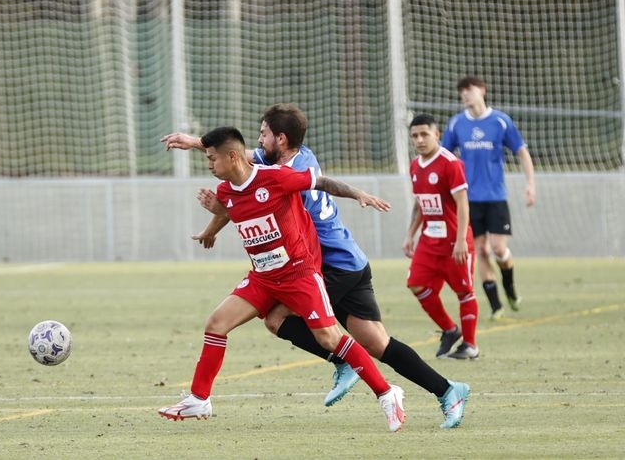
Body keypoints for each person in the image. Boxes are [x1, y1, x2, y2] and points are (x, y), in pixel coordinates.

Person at [162, 104, 470, 429]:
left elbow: (251, 172)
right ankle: (448, 390)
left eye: (263, 133)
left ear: (280, 139)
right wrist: (194, 145)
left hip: (331, 262)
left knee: (285, 320)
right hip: (339, 260)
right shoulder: (274, 161)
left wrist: (359, 194)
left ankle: (345, 361)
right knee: (376, 342)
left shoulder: (288, 171)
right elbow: (236, 172)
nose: (258, 140)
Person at [441, 76, 536, 319]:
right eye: (462, 91)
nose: (465, 94)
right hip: (468, 200)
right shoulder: (457, 124)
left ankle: (510, 289)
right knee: (481, 250)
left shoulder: (500, 121)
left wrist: (530, 184)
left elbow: (522, 152)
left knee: (498, 249)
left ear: (482, 90)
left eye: (469, 89)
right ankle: (496, 306)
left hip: (495, 197)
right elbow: (444, 156)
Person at [403, 113, 479, 360]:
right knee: (415, 283)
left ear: (437, 135)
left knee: (464, 292)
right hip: (429, 241)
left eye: (425, 134)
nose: (420, 140)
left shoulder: (450, 163)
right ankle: (449, 329)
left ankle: (470, 345)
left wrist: (460, 241)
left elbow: (463, 204)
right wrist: (410, 235)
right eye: (415, 136)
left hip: (454, 242)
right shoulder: (415, 165)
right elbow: (421, 204)